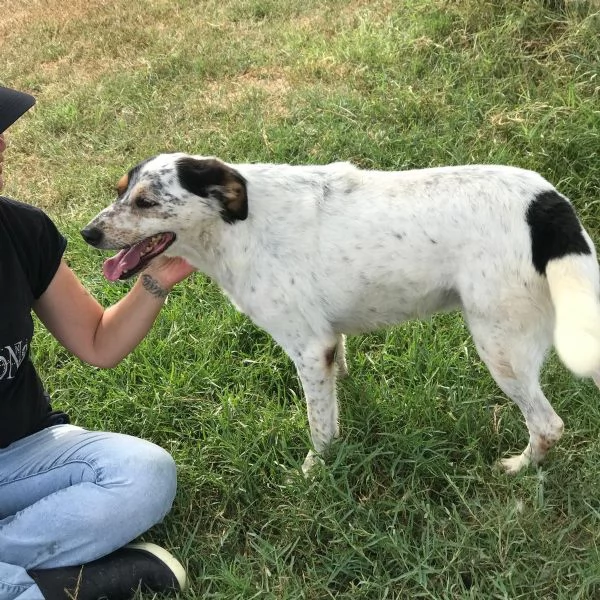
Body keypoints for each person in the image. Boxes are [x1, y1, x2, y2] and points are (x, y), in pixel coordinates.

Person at [0, 86, 196, 600]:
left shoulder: (20, 230)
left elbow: (96, 341)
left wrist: (156, 279)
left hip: (21, 458)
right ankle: (45, 584)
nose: (2, 147)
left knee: (145, 474)